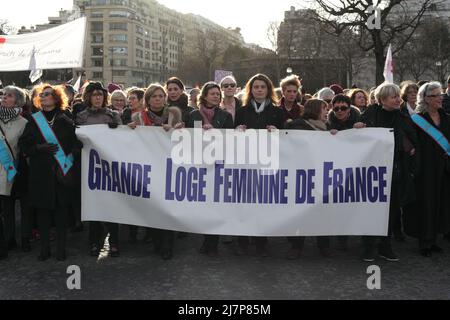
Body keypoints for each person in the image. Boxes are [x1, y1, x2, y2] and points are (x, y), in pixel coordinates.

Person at [354, 83, 419, 262]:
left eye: (398, 96)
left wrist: (409, 148)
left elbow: (412, 139)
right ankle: (368, 246)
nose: (398, 99)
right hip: (372, 171)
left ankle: (385, 245)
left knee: (390, 210)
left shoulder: (403, 116)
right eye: (394, 97)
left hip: (395, 171)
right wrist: (357, 128)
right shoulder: (369, 114)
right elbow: (359, 141)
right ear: (383, 99)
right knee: (370, 208)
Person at [19, 84, 79, 261]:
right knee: (43, 213)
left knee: (61, 213)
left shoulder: (66, 117)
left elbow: (77, 143)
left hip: (61, 172)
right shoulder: (33, 119)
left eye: (47, 94)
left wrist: (70, 157)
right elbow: (24, 145)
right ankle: (44, 249)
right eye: (41, 95)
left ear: (56, 97)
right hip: (41, 174)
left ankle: (61, 249)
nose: (43, 97)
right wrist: (39, 147)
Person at [128, 84, 183, 260]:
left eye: (161, 96)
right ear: (148, 99)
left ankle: (168, 244)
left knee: (168, 207)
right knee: (153, 206)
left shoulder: (174, 114)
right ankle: (157, 240)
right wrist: (129, 130)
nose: (158, 99)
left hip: (169, 167)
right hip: (149, 167)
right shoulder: (138, 116)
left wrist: (177, 130)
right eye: (154, 96)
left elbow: (182, 138)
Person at [234, 73, 283, 257]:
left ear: (268, 90)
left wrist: (278, 132)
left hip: (266, 163)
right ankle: (242, 239)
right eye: (256, 87)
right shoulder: (242, 111)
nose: (259, 90)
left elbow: (286, 137)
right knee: (244, 201)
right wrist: (237, 130)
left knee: (263, 202)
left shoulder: (277, 112)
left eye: (263, 87)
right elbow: (232, 136)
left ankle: (261, 240)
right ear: (251, 90)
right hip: (246, 163)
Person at [187, 82, 234, 257]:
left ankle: (211, 242)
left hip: (218, 163)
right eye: (212, 93)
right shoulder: (192, 115)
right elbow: (185, 136)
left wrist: (216, 132)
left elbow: (230, 139)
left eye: (218, 94)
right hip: (198, 164)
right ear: (204, 96)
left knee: (215, 204)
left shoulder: (225, 116)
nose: (216, 96)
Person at [76, 82, 122, 258]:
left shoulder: (113, 115)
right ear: (88, 97)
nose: (97, 98)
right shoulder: (81, 117)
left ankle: (115, 242)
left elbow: (124, 140)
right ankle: (94, 242)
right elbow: (77, 141)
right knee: (93, 207)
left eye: (100, 95)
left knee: (112, 206)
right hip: (90, 168)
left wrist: (117, 130)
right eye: (94, 94)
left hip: (109, 168)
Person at [404, 82, 450, 257]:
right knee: (426, 204)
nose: (440, 98)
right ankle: (425, 241)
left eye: (440, 94)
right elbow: (409, 141)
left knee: (441, 202)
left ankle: (435, 238)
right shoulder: (417, 119)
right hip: (425, 169)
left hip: (444, 168)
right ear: (426, 99)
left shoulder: (446, 117)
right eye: (436, 95)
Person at [285, 99, 334, 258]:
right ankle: (297, 245)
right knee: (302, 211)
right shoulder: (298, 126)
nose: (327, 112)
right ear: (315, 110)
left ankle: (323, 244)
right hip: (303, 175)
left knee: (323, 210)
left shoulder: (327, 128)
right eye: (324, 109)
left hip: (321, 175)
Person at [0, 86, 29, 258]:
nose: (4, 97)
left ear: (17, 101)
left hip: (14, 170)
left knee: (16, 208)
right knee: (4, 209)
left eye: (8, 95)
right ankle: (5, 240)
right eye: (3, 94)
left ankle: (18, 239)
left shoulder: (24, 123)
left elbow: (23, 148)